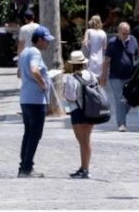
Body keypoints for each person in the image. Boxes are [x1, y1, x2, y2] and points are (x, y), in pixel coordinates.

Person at [17, 26, 55, 178]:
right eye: (46, 40)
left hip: (26, 98)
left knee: (28, 133)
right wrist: (43, 84)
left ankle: (24, 166)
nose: (48, 43)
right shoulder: (35, 52)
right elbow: (34, 70)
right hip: (36, 100)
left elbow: (19, 73)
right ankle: (27, 168)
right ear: (39, 40)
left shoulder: (24, 52)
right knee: (35, 135)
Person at [63, 51, 97, 179]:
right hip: (91, 109)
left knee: (83, 141)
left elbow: (70, 97)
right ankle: (84, 167)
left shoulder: (72, 78)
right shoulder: (92, 75)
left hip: (78, 110)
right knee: (86, 140)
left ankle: (85, 169)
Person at [103, 22, 139, 132]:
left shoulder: (133, 40)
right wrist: (103, 75)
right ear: (118, 32)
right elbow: (107, 60)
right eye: (123, 33)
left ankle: (121, 114)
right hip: (116, 76)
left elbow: (137, 57)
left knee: (132, 98)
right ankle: (121, 124)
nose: (126, 35)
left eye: (127, 33)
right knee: (120, 99)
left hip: (130, 75)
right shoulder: (112, 42)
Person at [83, 15, 107, 86]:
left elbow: (85, 43)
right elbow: (105, 47)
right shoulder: (103, 33)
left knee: (90, 80)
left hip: (90, 58)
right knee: (99, 81)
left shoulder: (88, 31)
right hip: (100, 59)